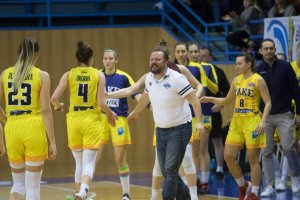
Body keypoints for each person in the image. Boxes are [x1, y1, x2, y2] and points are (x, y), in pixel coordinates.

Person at [127, 47, 204, 200]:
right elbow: (145, 97)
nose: (153, 62)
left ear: (166, 62)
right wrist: (136, 112)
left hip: (180, 128)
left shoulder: (177, 78)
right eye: (151, 59)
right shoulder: (149, 78)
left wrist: (199, 122)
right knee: (168, 171)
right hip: (161, 130)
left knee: (170, 169)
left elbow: (194, 100)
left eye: (157, 59)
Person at [200, 53, 272, 200]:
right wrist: (210, 99)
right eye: (236, 63)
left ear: (248, 64)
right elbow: (227, 100)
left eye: (239, 63)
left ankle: (254, 193)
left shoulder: (258, 79)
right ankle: (242, 185)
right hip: (237, 121)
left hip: (252, 120)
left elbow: (268, 102)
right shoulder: (236, 80)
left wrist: (263, 121)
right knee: (228, 156)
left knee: (253, 158)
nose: (237, 66)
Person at [51, 41, 116, 200]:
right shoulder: (98, 74)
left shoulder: (69, 74)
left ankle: (79, 194)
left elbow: (54, 98)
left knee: (79, 163)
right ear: (91, 59)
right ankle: (83, 191)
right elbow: (101, 103)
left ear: (78, 58)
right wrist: (110, 113)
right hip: (90, 119)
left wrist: (58, 106)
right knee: (89, 162)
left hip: (73, 120)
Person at [0, 37, 57, 200]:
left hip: (12, 128)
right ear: (36, 54)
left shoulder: (5, 74)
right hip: (33, 126)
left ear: (19, 53)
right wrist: (52, 140)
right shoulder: (42, 75)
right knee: (32, 187)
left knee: (18, 185)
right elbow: (46, 110)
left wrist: (7, 120)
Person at [256, 38, 300, 197]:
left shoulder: (286, 67)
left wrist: (299, 114)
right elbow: (256, 96)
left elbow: (296, 91)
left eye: (271, 48)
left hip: (284, 114)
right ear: (261, 51)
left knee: (289, 147)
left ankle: (295, 176)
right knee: (266, 152)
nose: (269, 51)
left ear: (274, 49)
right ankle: (269, 184)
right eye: (266, 48)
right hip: (265, 117)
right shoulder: (257, 70)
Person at [96, 48, 141, 200]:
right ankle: (83, 189)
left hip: (119, 120)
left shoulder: (123, 77)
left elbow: (136, 93)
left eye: (110, 58)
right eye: (105, 58)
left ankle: (126, 193)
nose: (107, 61)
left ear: (116, 60)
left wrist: (147, 104)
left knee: (120, 159)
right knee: (93, 156)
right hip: (100, 119)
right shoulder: (97, 76)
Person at [199, 46, 230, 180]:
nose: (201, 58)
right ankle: (200, 174)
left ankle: (219, 168)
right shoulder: (194, 71)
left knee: (217, 140)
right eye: (200, 55)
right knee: (200, 144)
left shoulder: (218, 72)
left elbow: (228, 91)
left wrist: (221, 104)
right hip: (199, 112)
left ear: (210, 57)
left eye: (204, 56)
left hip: (214, 111)